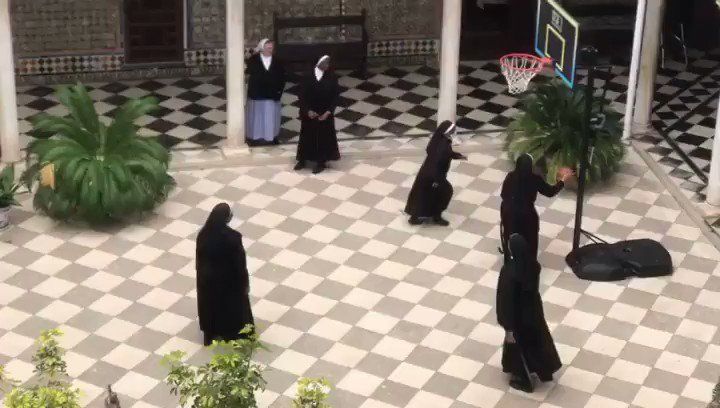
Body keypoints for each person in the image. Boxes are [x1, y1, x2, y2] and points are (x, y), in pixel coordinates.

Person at [496, 233, 561, 393]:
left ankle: (523, 379)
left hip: (517, 318)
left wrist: (507, 325)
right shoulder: (533, 266)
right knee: (537, 343)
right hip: (533, 312)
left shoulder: (509, 272)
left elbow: (505, 299)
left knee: (518, 349)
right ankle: (544, 371)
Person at [196, 203, 254, 346]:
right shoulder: (233, 238)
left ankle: (212, 331)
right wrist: (244, 282)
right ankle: (233, 332)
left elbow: (200, 260)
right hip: (229, 282)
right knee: (231, 306)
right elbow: (240, 264)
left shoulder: (203, 235)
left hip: (208, 282)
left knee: (211, 306)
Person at [500, 153, 573, 259]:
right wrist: (562, 181)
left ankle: (509, 258)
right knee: (531, 238)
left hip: (509, 213)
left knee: (509, 235)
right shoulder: (534, 179)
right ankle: (530, 261)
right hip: (527, 214)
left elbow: (503, 194)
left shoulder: (510, 176)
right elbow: (550, 192)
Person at [404, 120, 467, 226]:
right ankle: (437, 217)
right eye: (452, 131)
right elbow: (437, 163)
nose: (453, 133)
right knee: (445, 192)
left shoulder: (439, 139)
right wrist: (436, 181)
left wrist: (457, 155)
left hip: (426, 174)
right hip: (434, 176)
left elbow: (446, 153)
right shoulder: (443, 145)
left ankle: (415, 218)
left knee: (423, 194)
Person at [294, 55, 341, 174]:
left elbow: (336, 96)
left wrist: (328, 112)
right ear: (318, 63)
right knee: (306, 137)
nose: (327, 65)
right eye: (325, 62)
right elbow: (301, 95)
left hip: (324, 113)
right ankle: (303, 160)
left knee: (323, 137)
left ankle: (321, 162)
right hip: (309, 113)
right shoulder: (307, 76)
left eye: (328, 63)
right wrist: (307, 111)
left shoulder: (332, 77)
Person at [246, 39, 286, 146]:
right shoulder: (253, 60)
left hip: (272, 93)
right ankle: (255, 137)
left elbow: (282, 77)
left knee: (271, 117)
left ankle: (272, 136)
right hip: (257, 93)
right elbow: (249, 73)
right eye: (267, 47)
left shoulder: (277, 61)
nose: (270, 49)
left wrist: (279, 91)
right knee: (257, 117)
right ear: (262, 48)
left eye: (271, 47)